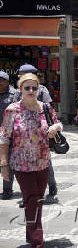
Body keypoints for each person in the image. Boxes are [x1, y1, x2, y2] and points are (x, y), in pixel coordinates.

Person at [0, 73, 62, 248]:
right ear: (20, 89)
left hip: (43, 161)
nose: (31, 90)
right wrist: (3, 164)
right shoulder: (12, 110)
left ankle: (31, 232)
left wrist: (55, 128)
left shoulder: (45, 108)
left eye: (34, 87)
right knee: (32, 198)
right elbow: (4, 138)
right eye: (27, 87)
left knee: (37, 199)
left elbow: (58, 123)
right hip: (21, 163)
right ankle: (37, 240)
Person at [13, 64, 58, 197]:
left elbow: (49, 108)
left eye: (20, 73)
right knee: (24, 166)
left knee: (45, 163)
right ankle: (28, 194)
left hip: (40, 134)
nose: (18, 76)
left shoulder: (42, 90)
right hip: (23, 136)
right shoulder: (18, 91)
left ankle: (52, 185)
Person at [0, 71, 16, 200]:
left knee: (8, 163)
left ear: (7, 81)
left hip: (9, 134)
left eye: (1, 81)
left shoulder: (15, 94)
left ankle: (7, 190)